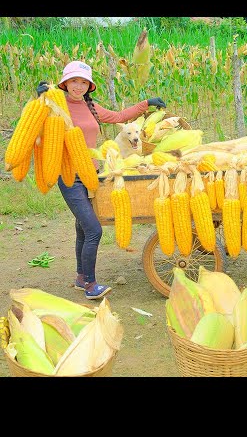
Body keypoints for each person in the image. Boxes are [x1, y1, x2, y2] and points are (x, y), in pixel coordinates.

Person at [36, 60, 167, 300]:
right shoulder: (55, 105)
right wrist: (40, 98)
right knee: (94, 229)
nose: (79, 86)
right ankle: (90, 285)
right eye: (74, 81)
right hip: (69, 175)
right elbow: (34, 122)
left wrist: (146, 103)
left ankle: (80, 277)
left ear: (89, 85)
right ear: (64, 83)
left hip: (91, 173)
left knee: (82, 228)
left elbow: (119, 116)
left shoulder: (90, 106)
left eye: (83, 82)